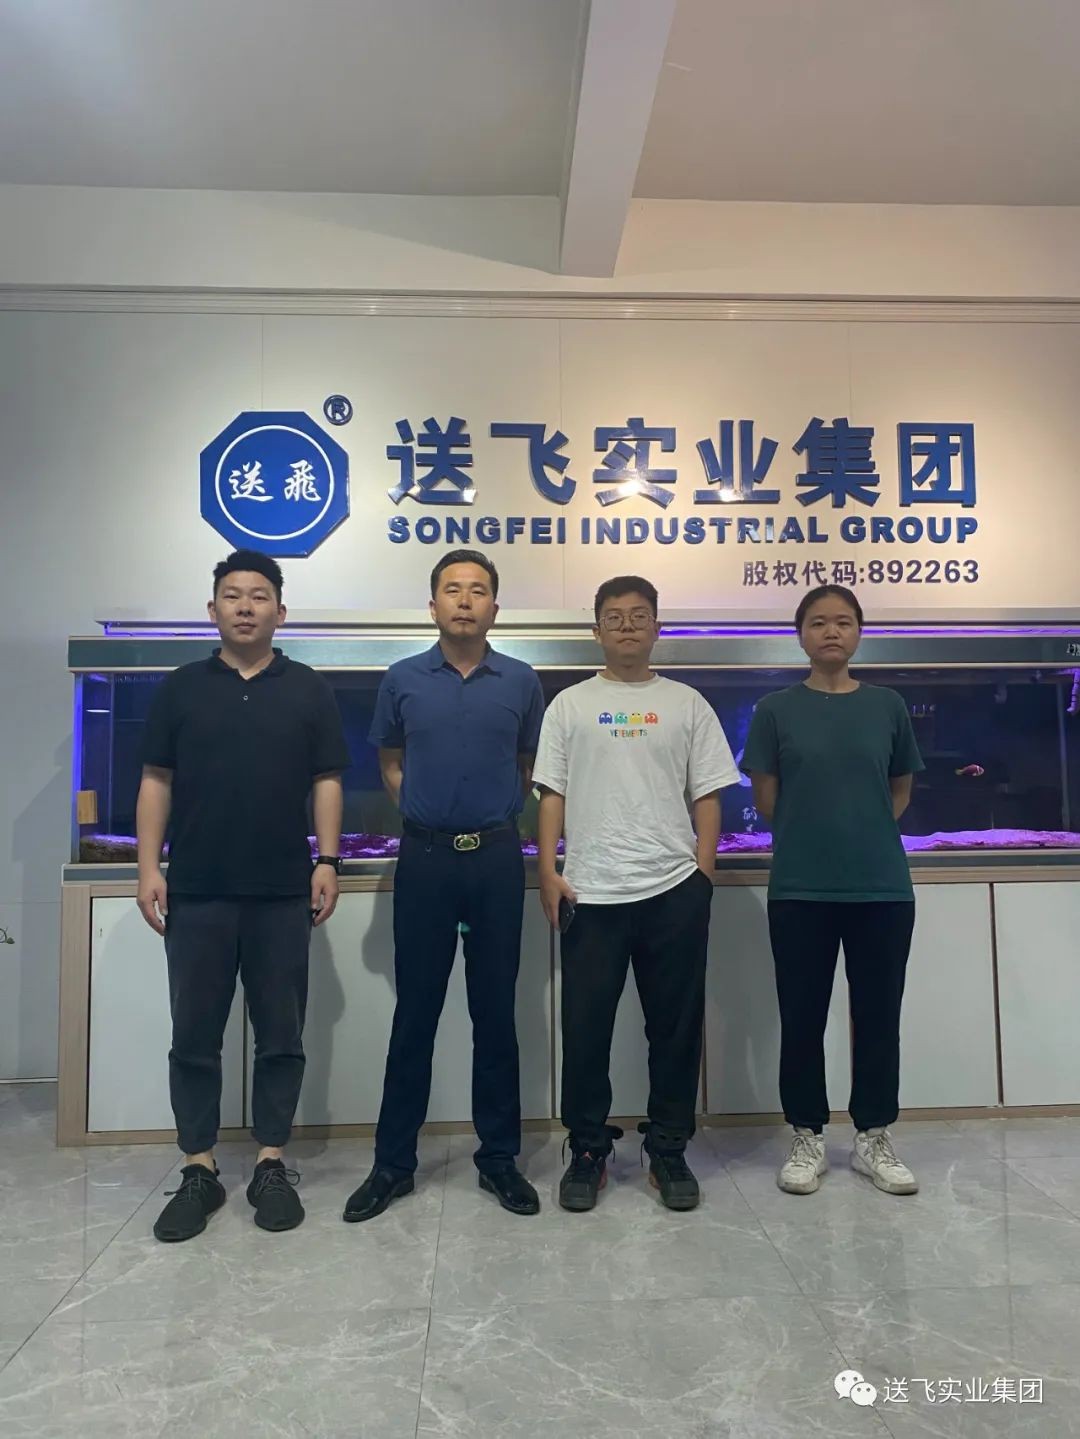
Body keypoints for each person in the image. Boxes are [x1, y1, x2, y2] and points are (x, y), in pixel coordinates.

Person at [136, 549, 350, 1242]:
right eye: (233, 595)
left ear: (280, 611)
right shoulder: (181, 688)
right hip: (196, 890)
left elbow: (326, 779)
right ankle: (198, 1167)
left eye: (259, 596)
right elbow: (156, 780)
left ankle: (270, 1161)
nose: (246, 606)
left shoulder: (308, 689)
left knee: (281, 1035)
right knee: (194, 1036)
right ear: (213, 610)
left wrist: (328, 860)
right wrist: (147, 867)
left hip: (282, 891)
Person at [344, 549, 545, 1222]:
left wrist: (489, 813)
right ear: (432, 606)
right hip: (425, 860)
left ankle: (500, 1159)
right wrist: (422, 811)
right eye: (452, 589)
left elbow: (527, 764)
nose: (465, 599)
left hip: (495, 858)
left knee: (496, 1012)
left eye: (477, 589)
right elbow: (390, 759)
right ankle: (392, 1164)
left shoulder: (521, 680)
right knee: (416, 1012)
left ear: (495, 608)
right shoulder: (403, 678)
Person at [533, 576, 740, 1212]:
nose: (627, 626)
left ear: (657, 627)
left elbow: (709, 794)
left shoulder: (687, 703)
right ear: (596, 630)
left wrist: (703, 873)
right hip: (590, 892)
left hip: (673, 889)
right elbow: (551, 794)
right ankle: (587, 1149)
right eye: (614, 617)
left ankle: (669, 1147)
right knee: (585, 1030)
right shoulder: (569, 705)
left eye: (639, 615)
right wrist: (548, 869)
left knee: (675, 1029)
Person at [742, 584, 924, 1197]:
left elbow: (899, 789)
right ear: (800, 635)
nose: (831, 632)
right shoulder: (775, 710)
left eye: (843, 622)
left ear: (858, 633)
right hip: (801, 887)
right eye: (818, 622)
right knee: (802, 1015)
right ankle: (807, 1134)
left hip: (881, 888)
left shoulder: (888, 706)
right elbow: (768, 797)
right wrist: (815, 834)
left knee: (879, 1014)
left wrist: (863, 829)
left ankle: (874, 1135)